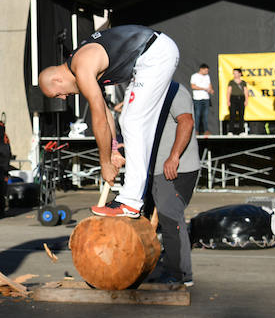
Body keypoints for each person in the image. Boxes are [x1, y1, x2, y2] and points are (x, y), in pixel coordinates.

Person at [38, 24, 180, 218]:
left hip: (154, 53)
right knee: (128, 120)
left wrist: (105, 163)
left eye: (57, 95)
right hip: (149, 56)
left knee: (133, 121)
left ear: (57, 80)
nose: (63, 98)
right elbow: (105, 114)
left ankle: (131, 201)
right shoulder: (83, 69)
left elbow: (99, 119)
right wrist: (113, 150)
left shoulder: (82, 66)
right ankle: (133, 198)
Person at [127, 81, 199, 287]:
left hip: (176, 168)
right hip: (155, 169)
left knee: (170, 219)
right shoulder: (151, 91)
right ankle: (140, 266)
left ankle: (180, 274)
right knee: (142, 217)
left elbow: (186, 122)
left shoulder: (175, 90)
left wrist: (174, 157)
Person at [189, 63, 214, 136]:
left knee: (205, 115)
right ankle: (196, 130)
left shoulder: (207, 76)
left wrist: (211, 90)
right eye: (206, 70)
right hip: (197, 98)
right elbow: (193, 86)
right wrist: (203, 88)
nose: (207, 72)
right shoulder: (194, 76)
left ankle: (206, 130)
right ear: (201, 69)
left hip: (206, 98)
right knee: (197, 115)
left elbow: (209, 85)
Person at [225, 67, 252, 134]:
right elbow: (228, 91)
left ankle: (241, 131)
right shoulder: (231, 82)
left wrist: (246, 100)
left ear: (240, 74)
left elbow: (246, 91)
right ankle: (231, 131)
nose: (235, 75)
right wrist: (228, 101)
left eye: (236, 73)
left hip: (241, 98)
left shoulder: (243, 82)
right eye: (234, 73)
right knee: (232, 115)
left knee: (241, 115)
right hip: (233, 98)